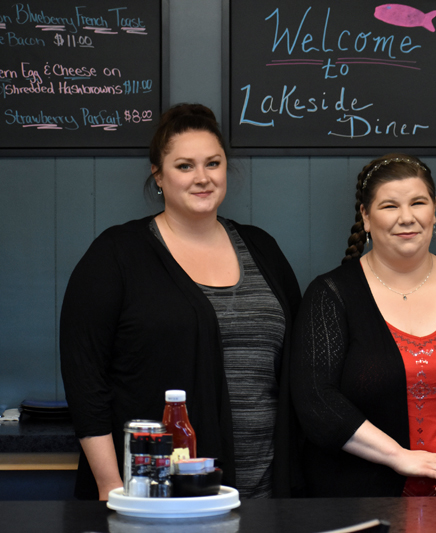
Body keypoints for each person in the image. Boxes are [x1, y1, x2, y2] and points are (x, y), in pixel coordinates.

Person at [60, 104, 301, 500]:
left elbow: (296, 365)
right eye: (185, 166)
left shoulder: (262, 249)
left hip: (263, 488)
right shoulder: (116, 254)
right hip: (155, 493)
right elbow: (84, 377)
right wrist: (110, 485)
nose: (202, 178)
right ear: (158, 174)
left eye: (213, 163)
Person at [291, 154, 436, 497]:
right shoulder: (331, 295)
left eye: (418, 202)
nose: (407, 217)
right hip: (362, 502)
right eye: (390, 206)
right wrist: (398, 457)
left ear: (434, 211)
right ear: (366, 217)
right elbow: (316, 401)